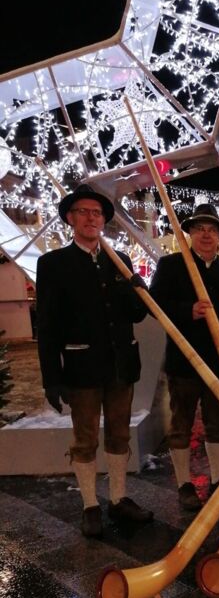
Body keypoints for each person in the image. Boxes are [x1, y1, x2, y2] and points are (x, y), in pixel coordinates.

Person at [36, 184, 153, 537]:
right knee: (85, 439)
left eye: (97, 213)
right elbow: (48, 325)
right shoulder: (53, 264)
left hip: (120, 366)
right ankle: (90, 505)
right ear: (71, 219)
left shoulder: (120, 261)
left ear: (103, 220)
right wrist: (51, 378)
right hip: (82, 368)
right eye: (83, 212)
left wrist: (138, 290)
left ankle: (118, 499)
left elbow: (136, 314)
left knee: (119, 434)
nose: (91, 218)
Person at [150, 203, 219, 511]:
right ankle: (184, 484)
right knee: (180, 424)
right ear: (190, 233)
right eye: (199, 229)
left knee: (217, 424)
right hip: (184, 363)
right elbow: (154, 305)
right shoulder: (171, 266)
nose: (206, 235)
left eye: (211, 230)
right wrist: (186, 311)